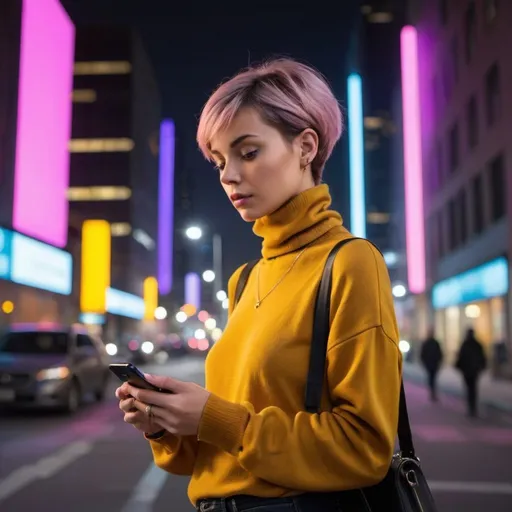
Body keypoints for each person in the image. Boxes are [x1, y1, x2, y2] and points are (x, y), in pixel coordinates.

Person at [116, 58, 402, 511]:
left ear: (306, 146)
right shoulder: (245, 279)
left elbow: (364, 448)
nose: (229, 176)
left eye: (248, 152)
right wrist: (162, 423)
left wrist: (216, 417)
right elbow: (218, 454)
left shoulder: (349, 262)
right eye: (219, 161)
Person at [455, 328, 487, 418]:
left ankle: (471, 407)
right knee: (473, 388)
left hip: (467, 371)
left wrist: (460, 367)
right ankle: (473, 407)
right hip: (474, 371)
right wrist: (481, 367)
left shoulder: (465, 344)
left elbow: (460, 358)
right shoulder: (477, 345)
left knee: (469, 388)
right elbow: (482, 357)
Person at [420, 329, 443, 402]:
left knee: (432, 378)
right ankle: (432, 392)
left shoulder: (431, 343)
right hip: (432, 364)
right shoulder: (432, 343)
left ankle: (432, 392)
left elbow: (439, 353)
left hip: (432, 364)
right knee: (432, 378)